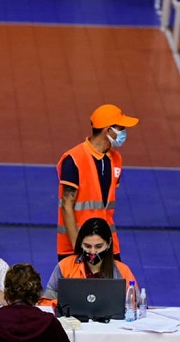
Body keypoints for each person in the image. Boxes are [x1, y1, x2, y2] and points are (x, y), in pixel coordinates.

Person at [57, 104, 138, 261]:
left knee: (114, 285)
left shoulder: (116, 159)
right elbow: (67, 205)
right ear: (108, 130)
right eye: (120, 128)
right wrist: (78, 248)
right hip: (76, 247)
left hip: (107, 244)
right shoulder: (74, 159)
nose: (123, 133)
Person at [41, 217, 137, 307]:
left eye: (98, 246)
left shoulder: (123, 271)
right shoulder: (64, 266)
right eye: (87, 246)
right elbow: (45, 303)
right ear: (80, 243)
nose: (92, 252)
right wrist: (66, 304)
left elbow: (135, 305)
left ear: (109, 243)